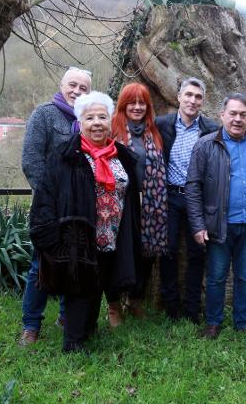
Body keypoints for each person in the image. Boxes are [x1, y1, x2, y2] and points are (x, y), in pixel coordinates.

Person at [29, 91, 142, 353]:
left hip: (112, 234)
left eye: (102, 116)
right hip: (77, 237)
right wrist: (48, 236)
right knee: (79, 288)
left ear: (110, 120)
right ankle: (74, 343)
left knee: (98, 284)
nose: (97, 123)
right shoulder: (66, 154)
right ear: (80, 121)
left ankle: (88, 332)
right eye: (89, 117)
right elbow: (46, 196)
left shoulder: (122, 156)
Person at [186, 93, 246, 339]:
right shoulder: (205, 145)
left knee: (245, 277)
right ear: (222, 115)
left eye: (242, 115)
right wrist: (197, 225)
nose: (237, 119)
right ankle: (213, 322)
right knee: (216, 277)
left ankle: (242, 322)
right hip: (218, 225)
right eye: (233, 113)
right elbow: (193, 187)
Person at [19, 67, 91, 345]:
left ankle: (65, 317)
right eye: (72, 85)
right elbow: (31, 160)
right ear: (61, 85)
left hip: (78, 210)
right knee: (42, 264)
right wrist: (51, 198)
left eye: (83, 88)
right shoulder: (45, 115)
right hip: (48, 208)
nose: (76, 91)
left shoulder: (88, 119)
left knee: (73, 261)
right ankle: (31, 324)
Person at [155, 77, 219, 323]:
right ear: (179, 97)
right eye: (189, 95)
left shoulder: (212, 129)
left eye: (198, 96)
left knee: (197, 252)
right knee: (168, 251)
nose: (193, 100)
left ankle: (193, 309)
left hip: (198, 200)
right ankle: (171, 308)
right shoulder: (162, 125)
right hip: (169, 196)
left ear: (203, 101)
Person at [110, 83, 167, 326]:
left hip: (151, 204)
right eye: (131, 102)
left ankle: (134, 300)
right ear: (123, 105)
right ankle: (113, 305)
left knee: (147, 254)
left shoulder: (153, 132)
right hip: (121, 203)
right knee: (119, 254)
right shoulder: (113, 130)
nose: (136, 107)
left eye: (141, 103)